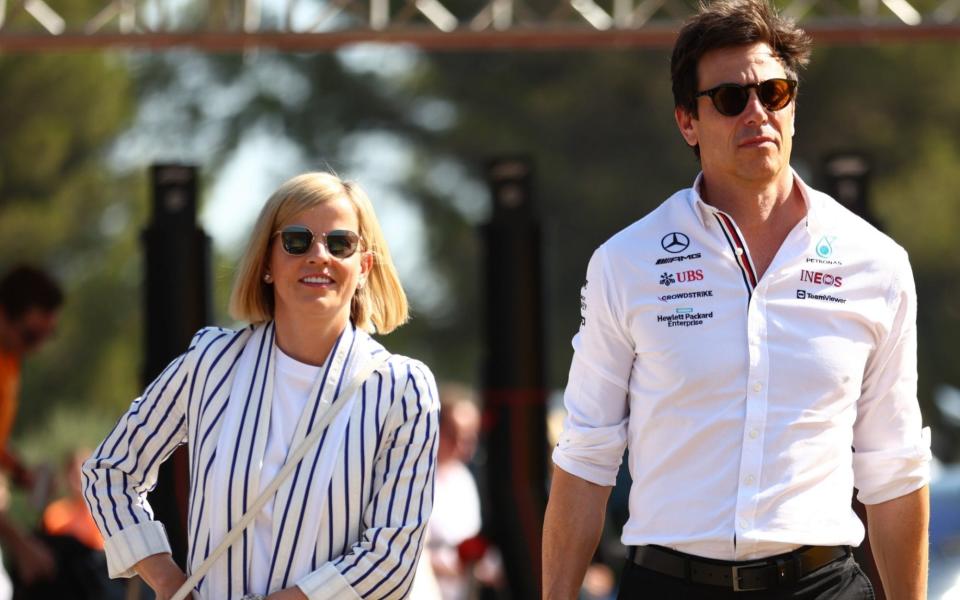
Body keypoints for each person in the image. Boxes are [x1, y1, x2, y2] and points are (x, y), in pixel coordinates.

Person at [542, 1, 931, 598]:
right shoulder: (626, 262)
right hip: (669, 582)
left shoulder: (876, 261)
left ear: (793, 104)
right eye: (729, 98)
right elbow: (587, 458)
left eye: (774, 92)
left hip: (822, 583)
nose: (757, 113)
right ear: (687, 123)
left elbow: (894, 466)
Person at [83, 172, 440, 600]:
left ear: (363, 266)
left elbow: (392, 561)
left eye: (340, 243)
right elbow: (109, 472)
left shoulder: (404, 389)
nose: (319, 256)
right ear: (267, 262)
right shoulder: (210, 363)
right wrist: (166, 580)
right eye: (296, 240)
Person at [0, 265, 63, 593]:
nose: (37, 348)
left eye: (45, 337)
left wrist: (20, 472)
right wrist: (21, 545)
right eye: (31, 336)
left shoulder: (10, 361)